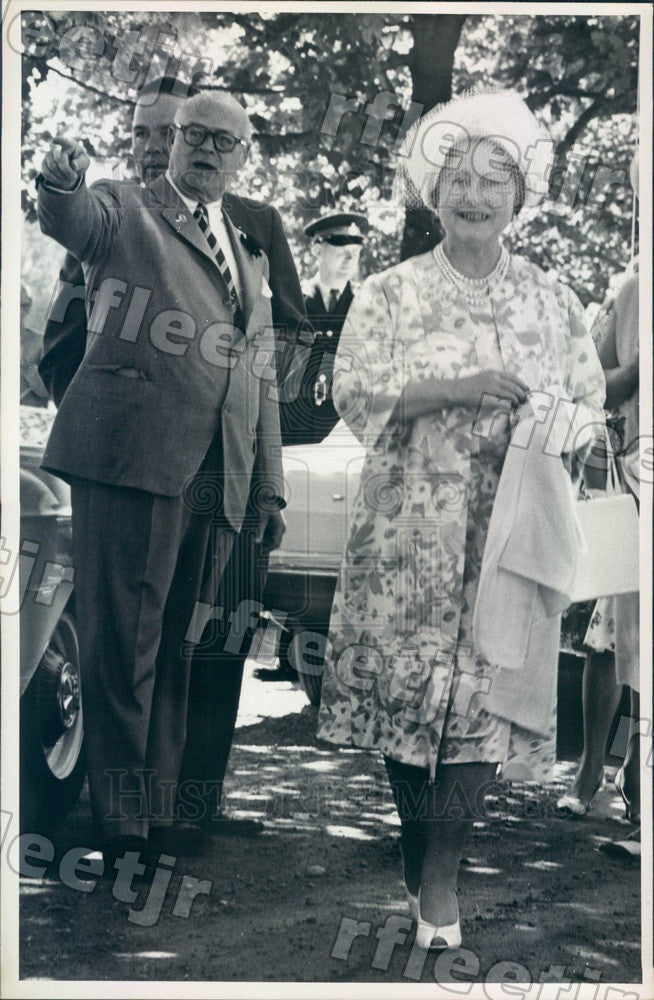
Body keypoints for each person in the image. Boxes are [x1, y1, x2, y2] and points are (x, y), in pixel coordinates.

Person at [316, 90, 606, 949]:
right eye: (458, 180)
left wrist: (561, 426)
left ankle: (442, 875)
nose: (475, 195)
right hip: (407, 535)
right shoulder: (388, 292)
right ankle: (419, 848)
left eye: (495, 181)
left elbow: (590, 405)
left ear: (520, 197)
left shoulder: (554, 300)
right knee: (407, 709)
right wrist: (456, 388)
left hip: (506, 535)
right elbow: (353, 392)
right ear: (432, 194)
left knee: (482, 700)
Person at [36, 91, 286, 867]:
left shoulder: (245, 243)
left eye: (225, 140)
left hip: (218, 471)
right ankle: (124, 824)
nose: (207, 150)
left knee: (178, 644)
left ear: (244, 156)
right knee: (124, 641)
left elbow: (261, 372)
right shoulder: (125, 207)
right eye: (194, 135)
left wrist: (269, 486)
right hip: (130, 457)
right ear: (171, 140)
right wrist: (61, 184)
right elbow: (74, 222)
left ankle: (165, 808)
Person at [556, 152, 640, 854]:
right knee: (611, 635)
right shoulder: (635, 285)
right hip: (633, 479)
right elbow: (596, 384)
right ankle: (591, 777)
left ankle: (637, 784)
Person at [38, 75, 199, 406]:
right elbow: (58, 356)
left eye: (169, 133)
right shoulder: (108, 222)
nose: (152, 147)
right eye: (140, 133)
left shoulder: (243, 230)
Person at [292, 211, 368, 443]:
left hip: (345, 434)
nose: (349, 259)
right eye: (341, 249)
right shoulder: (293, 299)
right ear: (317, 249)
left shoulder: (366, 304)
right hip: (296, 428)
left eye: (354, 253)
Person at [20, 282, 49, 407]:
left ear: (27, 308)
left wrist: (26, 366)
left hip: (28, 418)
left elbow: (49, 391)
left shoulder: (41, 343)